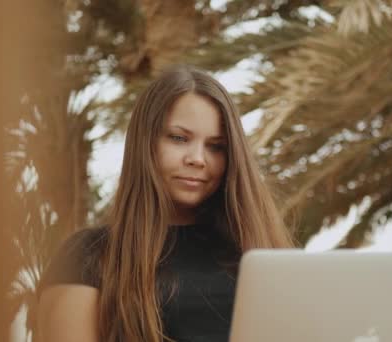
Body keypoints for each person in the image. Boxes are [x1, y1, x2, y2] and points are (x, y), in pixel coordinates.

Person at [36, 65, 296, 342]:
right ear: (145, 142)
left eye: (216, 146)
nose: (198, 158)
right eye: (179, 138)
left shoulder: (259, 252)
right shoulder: (89, 256)